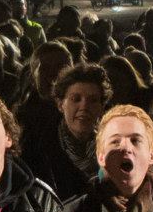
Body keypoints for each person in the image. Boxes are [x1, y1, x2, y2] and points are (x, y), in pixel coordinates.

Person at [25, 63, 110, 197]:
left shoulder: (114, 146)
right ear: (60, 105)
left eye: (93, 100)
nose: (84, 106)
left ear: (102, 107)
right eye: (75, 99)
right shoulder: (37, 149)